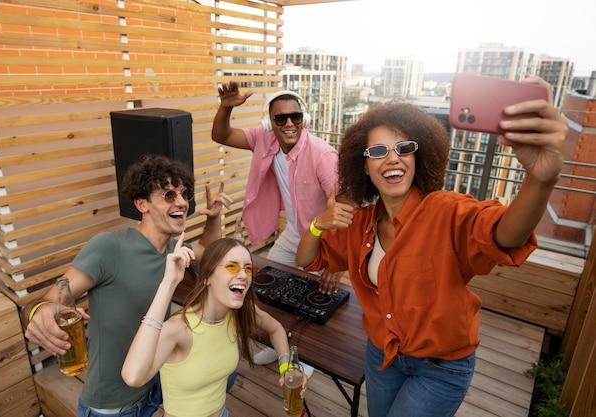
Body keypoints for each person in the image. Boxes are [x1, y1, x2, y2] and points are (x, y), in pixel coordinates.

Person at [295, 77, 568, 417]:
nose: (392, 159)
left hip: (440, 368)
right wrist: (319, 223)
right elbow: (306, 259)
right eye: (378, 151)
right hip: (382, 355)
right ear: (363, 165)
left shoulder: (447, 211)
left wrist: (540, 180)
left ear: (418, 155)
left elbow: (504, 234)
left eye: (404, 148)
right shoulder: (361, 223)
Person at [22, 154, 233, 417]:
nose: (182, 202)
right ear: (141, 203)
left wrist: (213, 218)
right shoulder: (109, 246)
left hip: (154, 384)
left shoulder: (174, 249)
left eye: (184, 194)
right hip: (112, 406)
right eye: (169, 195)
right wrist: (37, 312)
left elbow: (210, 254)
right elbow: (49, 300)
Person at [212, 81, 342, 371]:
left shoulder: (323, 155)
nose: (288, 123)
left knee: (312, 301)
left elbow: (343, 208)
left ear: (304, 119)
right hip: (293, 233)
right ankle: (278, 343)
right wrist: (226, 107)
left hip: (324, 240)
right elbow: (220, 135)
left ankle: (305, 357)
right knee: (266, 289)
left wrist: (338, 261)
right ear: (270, 123)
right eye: (280, 117)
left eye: (295, 116)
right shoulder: (264, 140)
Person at [122, 235, 308, 417]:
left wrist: (286, 366)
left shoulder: (237, 313)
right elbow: (133, 377)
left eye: (248, 269)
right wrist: (168, 283)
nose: (243, 275)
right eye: (232, 267)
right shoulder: (178, 329)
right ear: (207, 277)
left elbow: (275, 328)